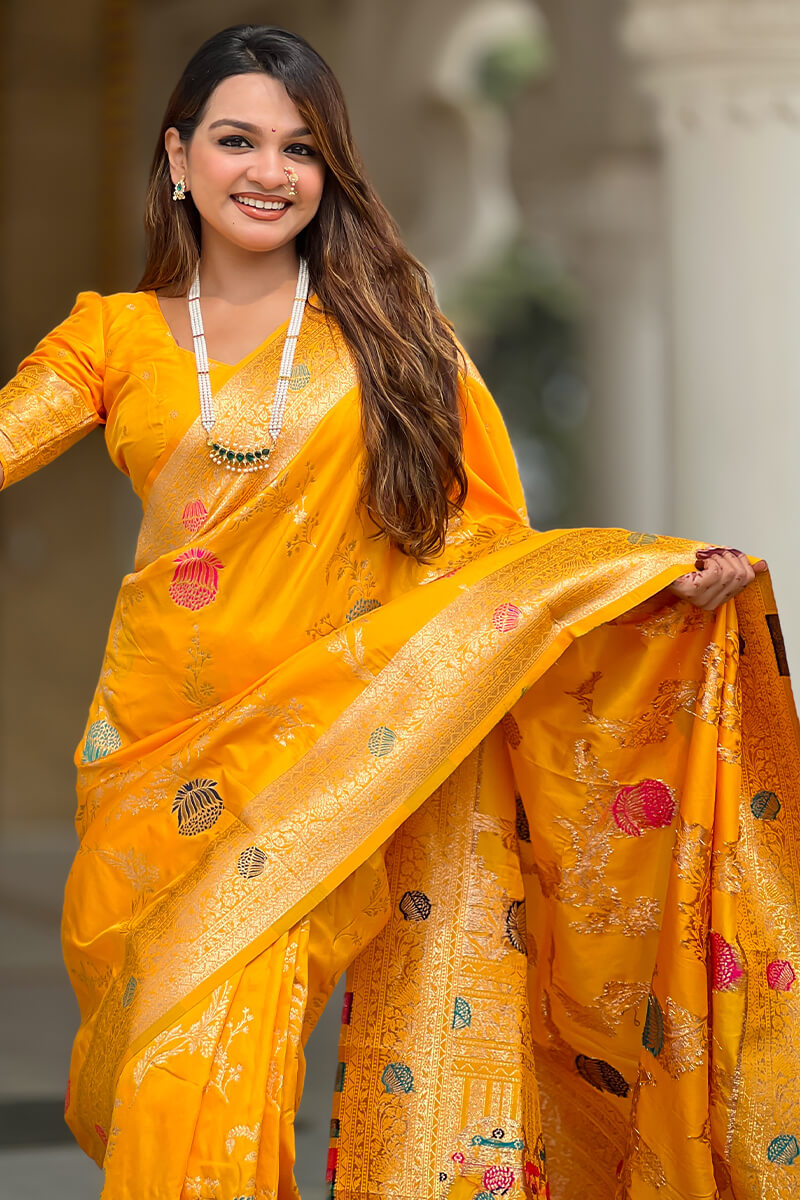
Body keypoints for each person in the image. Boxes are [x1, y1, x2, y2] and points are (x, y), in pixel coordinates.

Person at [0, 23, 795, 1200]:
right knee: (148, 1065)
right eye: (235, 140)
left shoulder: (395, 338)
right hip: (151, 764)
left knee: (199, 1063)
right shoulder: (110, 336)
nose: (268, 171)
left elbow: (482, 548)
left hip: (336, 757)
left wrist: (640, 582)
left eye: (299, 148)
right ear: (177, 157)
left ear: (329, 172)